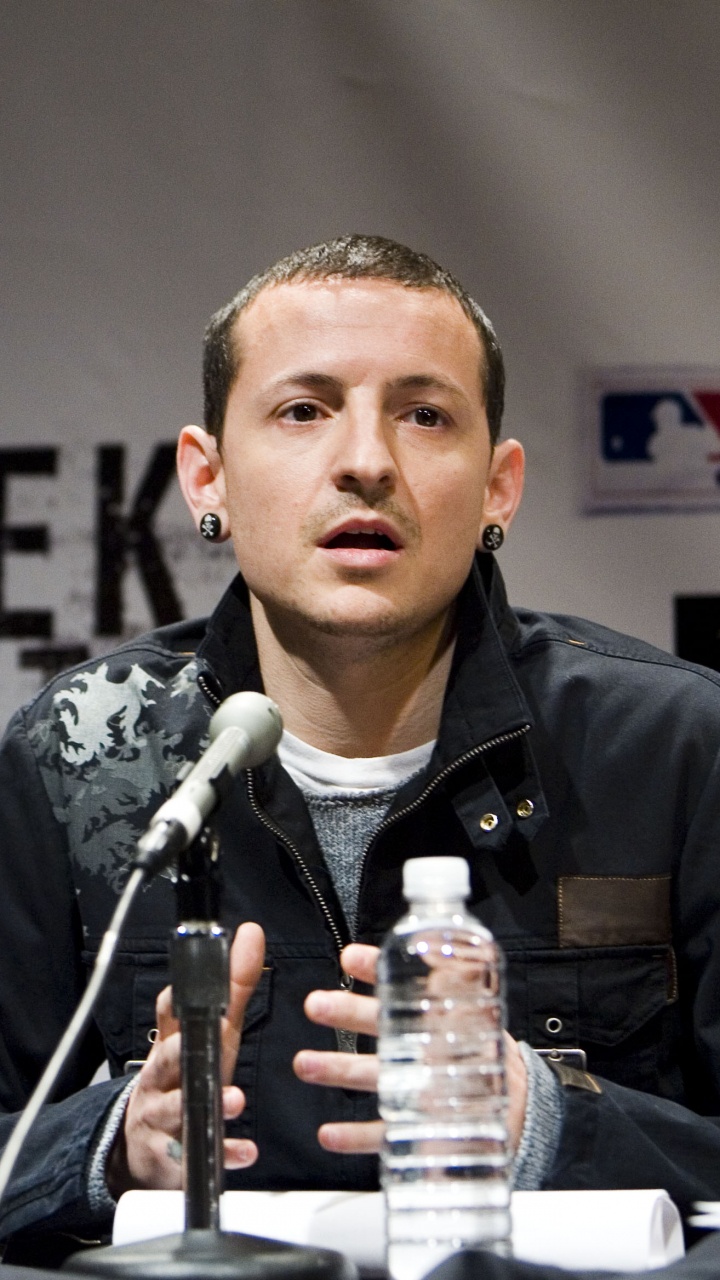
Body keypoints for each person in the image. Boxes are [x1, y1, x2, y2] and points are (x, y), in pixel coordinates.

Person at [2, 234, 720, 1263]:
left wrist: (552, 1121)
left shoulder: (678, 750)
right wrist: (111, 1141)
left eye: (425, 415)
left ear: (499, 487)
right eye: (305, 410)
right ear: (206, 477)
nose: (367, 461)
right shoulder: (75, 754)